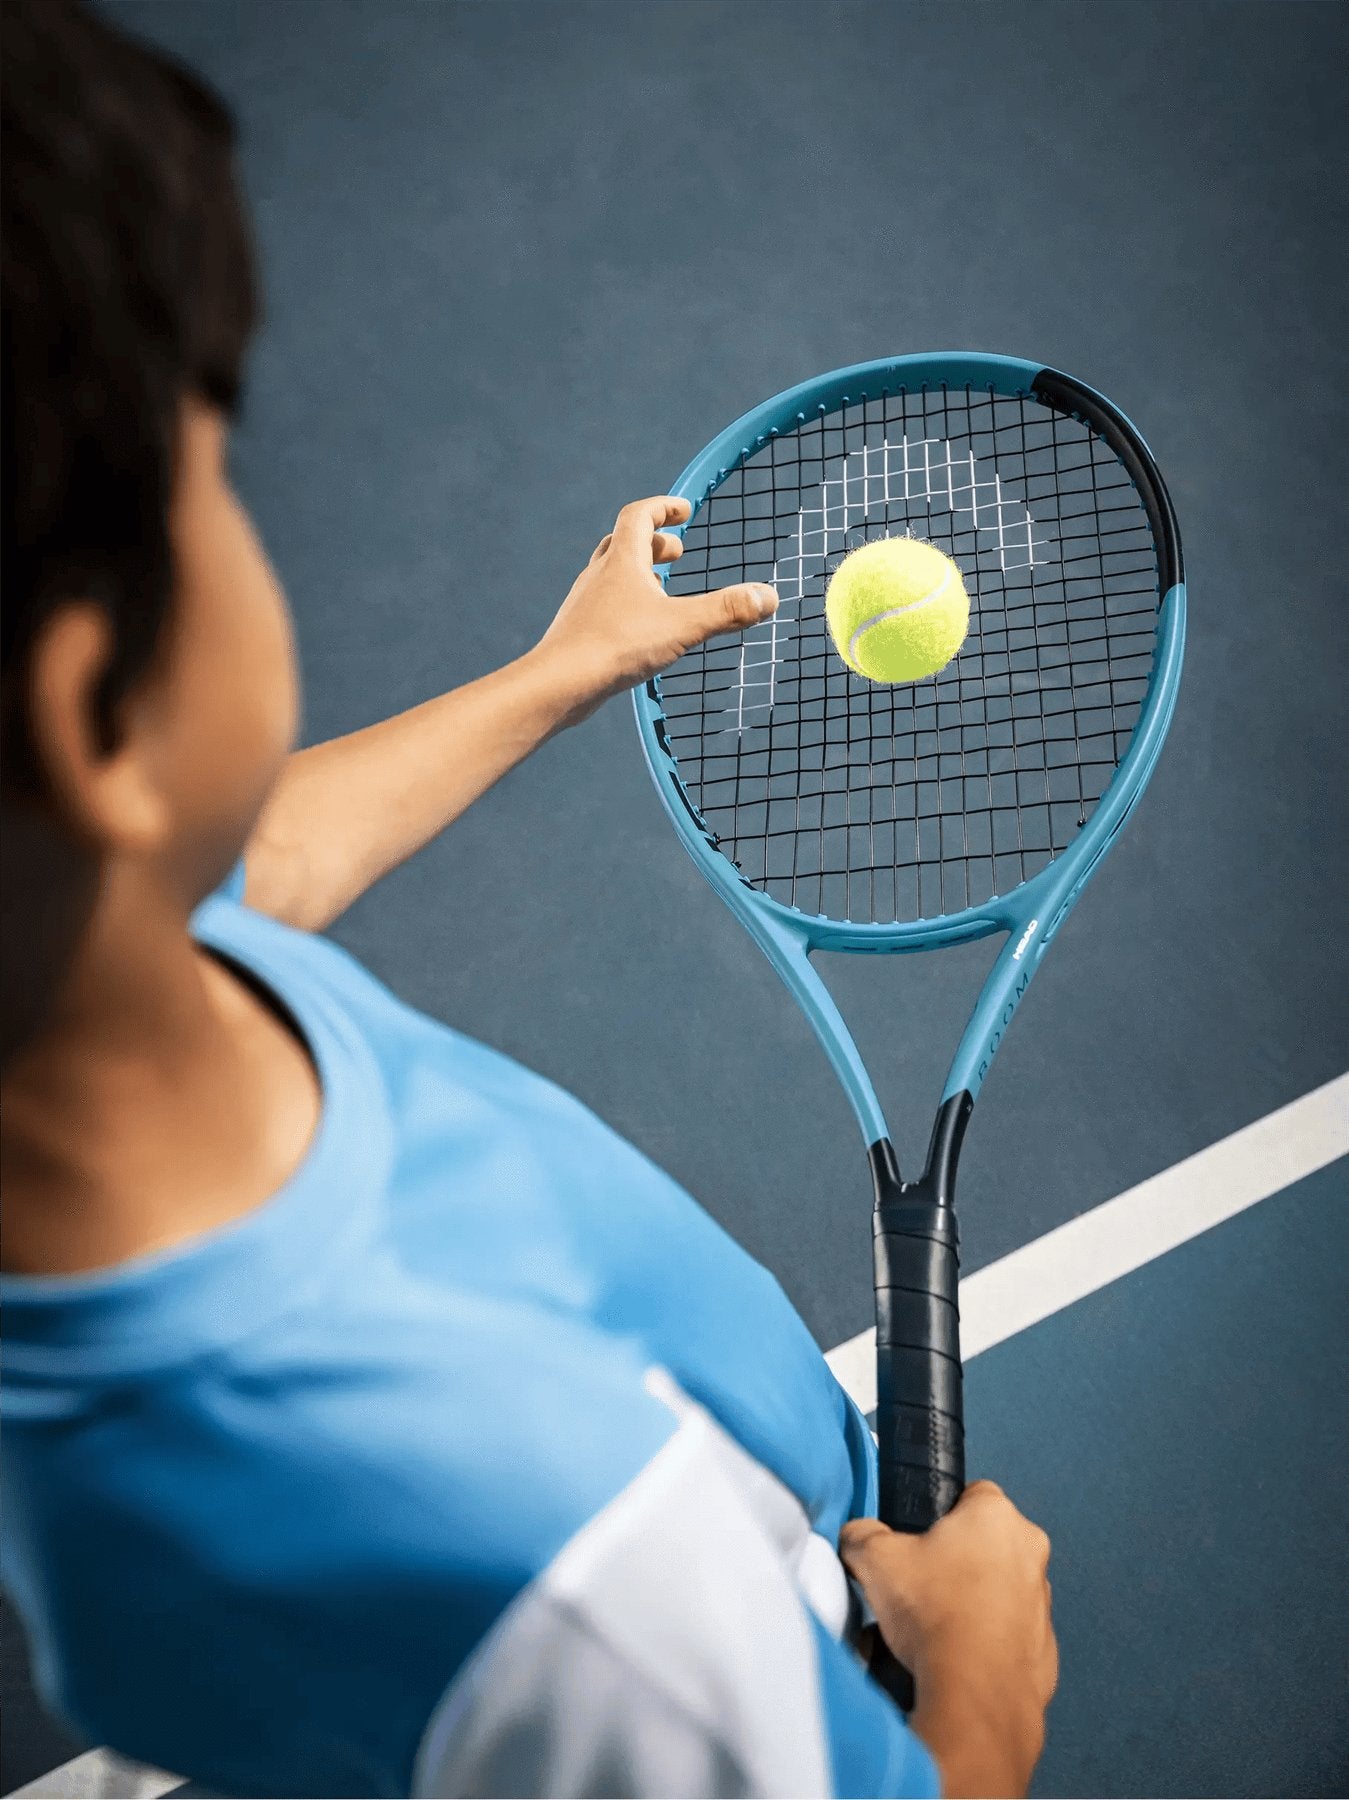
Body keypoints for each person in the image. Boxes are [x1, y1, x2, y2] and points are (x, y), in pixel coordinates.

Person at [0, 3, 1057, 1795]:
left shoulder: (82, 976)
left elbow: (261, 861)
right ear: (97, 713)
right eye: (208, 480)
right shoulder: (570, 1575)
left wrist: (554, 672)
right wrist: (981, 1674)